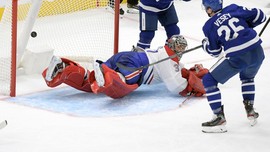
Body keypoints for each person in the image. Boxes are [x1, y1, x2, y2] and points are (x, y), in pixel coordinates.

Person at [42, 35, 208, 99]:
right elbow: (175, 85)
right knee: (121, 87)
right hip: (137, 64)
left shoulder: (165, 55)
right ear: (172, 46)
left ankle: (63, 68)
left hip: (122, 57)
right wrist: (193, 88)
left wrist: (193, 70)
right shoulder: (168, 58)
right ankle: (107, 74)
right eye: (179, 48)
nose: (179, 51)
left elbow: (179, 70)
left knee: (89, 82)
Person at [200, 0, 266, 133]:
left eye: (206, 8)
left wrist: (205, 44)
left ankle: (219, 118)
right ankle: (250, 110)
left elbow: (215, 51)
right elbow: (261, 16)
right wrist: (247, 24)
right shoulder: (233, 8)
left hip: (238, 55)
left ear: (210, 9)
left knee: (208, 80)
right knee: (247, 77)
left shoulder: (209, 25)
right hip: (257, 51)